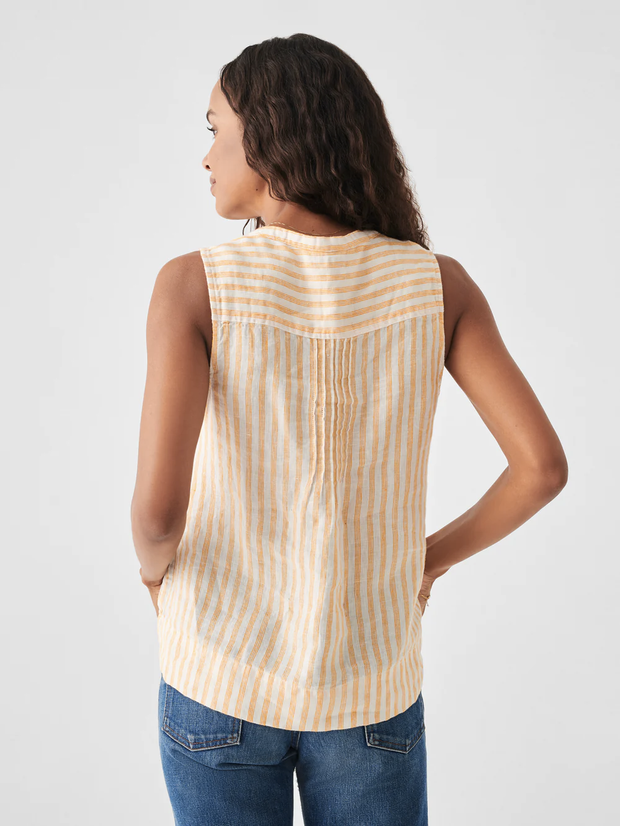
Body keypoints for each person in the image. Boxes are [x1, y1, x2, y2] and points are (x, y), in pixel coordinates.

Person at [131, 34, 568, 826]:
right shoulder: (437, 285)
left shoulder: (194, 285)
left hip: (218, 676)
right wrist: (426, 560)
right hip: (371, 687)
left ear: (270, 134)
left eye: (215, 130)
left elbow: (158, 516)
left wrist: (155, 576)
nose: (206, 156)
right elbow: (540, 468)